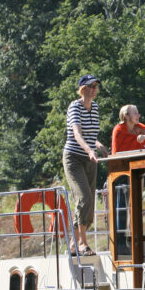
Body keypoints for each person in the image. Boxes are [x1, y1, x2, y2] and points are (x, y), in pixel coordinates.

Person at [63, 73, 109, 256]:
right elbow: (77, 134)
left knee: (90, 203)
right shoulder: (75, 106)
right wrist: (89, 150)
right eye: (91, 86)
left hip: (91, 159)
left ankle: (73, 244)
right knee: (84, 198)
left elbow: (91, 135)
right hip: (74, 157)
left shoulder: (95, 107)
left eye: (96, 86)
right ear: (83, 89)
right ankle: (82, 244)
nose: (94, 89)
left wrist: (99, 146)